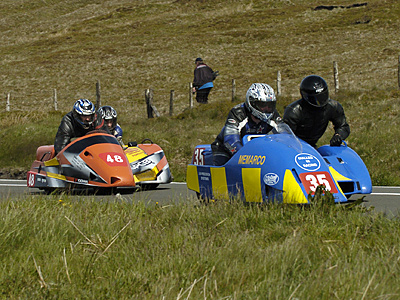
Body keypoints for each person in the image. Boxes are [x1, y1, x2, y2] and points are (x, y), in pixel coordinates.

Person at [211, 83, 281, 166]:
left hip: (255, 152)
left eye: (270, 106)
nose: (266, 109)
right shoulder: (238, 113)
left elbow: (285, 134)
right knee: (224, 165)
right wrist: (246, 158)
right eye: (262, 105)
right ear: (252, 103)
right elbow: (230, 140)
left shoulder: (273, 115)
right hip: (225, 149)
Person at [282, 75, 350, 148]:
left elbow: (343, 126)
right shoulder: (294, 111)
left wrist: (338, 135)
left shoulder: (333, 106)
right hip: (294, 147)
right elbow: (285, 137)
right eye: (316, 99)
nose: (320, 102)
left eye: (322, 97)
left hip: (312, 146)